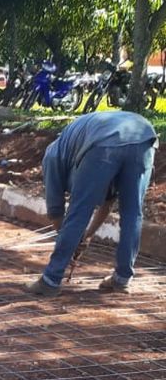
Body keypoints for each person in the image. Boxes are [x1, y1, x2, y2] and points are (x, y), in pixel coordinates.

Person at [29, 110, 157, 297]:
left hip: (105, 142)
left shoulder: (53, 156)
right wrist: (85, 237)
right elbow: (107, 201)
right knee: (132, 213)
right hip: (143, 138)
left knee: (79, 209)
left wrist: (71, 242)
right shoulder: (72, 147)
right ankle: (122, 279)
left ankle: (51, 280)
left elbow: (56, 210)